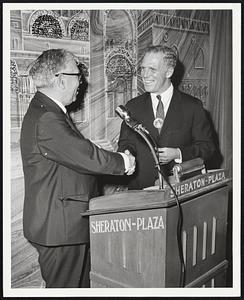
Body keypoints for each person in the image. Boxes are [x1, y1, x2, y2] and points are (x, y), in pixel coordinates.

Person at [20, 49, 135, 288]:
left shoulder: (45, 110)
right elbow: (85, 156)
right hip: (60, 229)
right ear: (61, 79)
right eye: (77, 76)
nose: (80, 83)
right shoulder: (48, 117)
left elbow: (71, 152)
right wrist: (124, 162)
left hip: (62, 224)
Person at [118, 45, 215, 190]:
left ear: (169, 72)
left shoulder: (193, 107)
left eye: (152, 69)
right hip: (141, 191)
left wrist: (178, 153)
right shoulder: (133, 106)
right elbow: (126, 143)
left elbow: (207, 148)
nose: (144, 75)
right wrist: (127, 154)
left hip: (179, 190)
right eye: (143, 68)